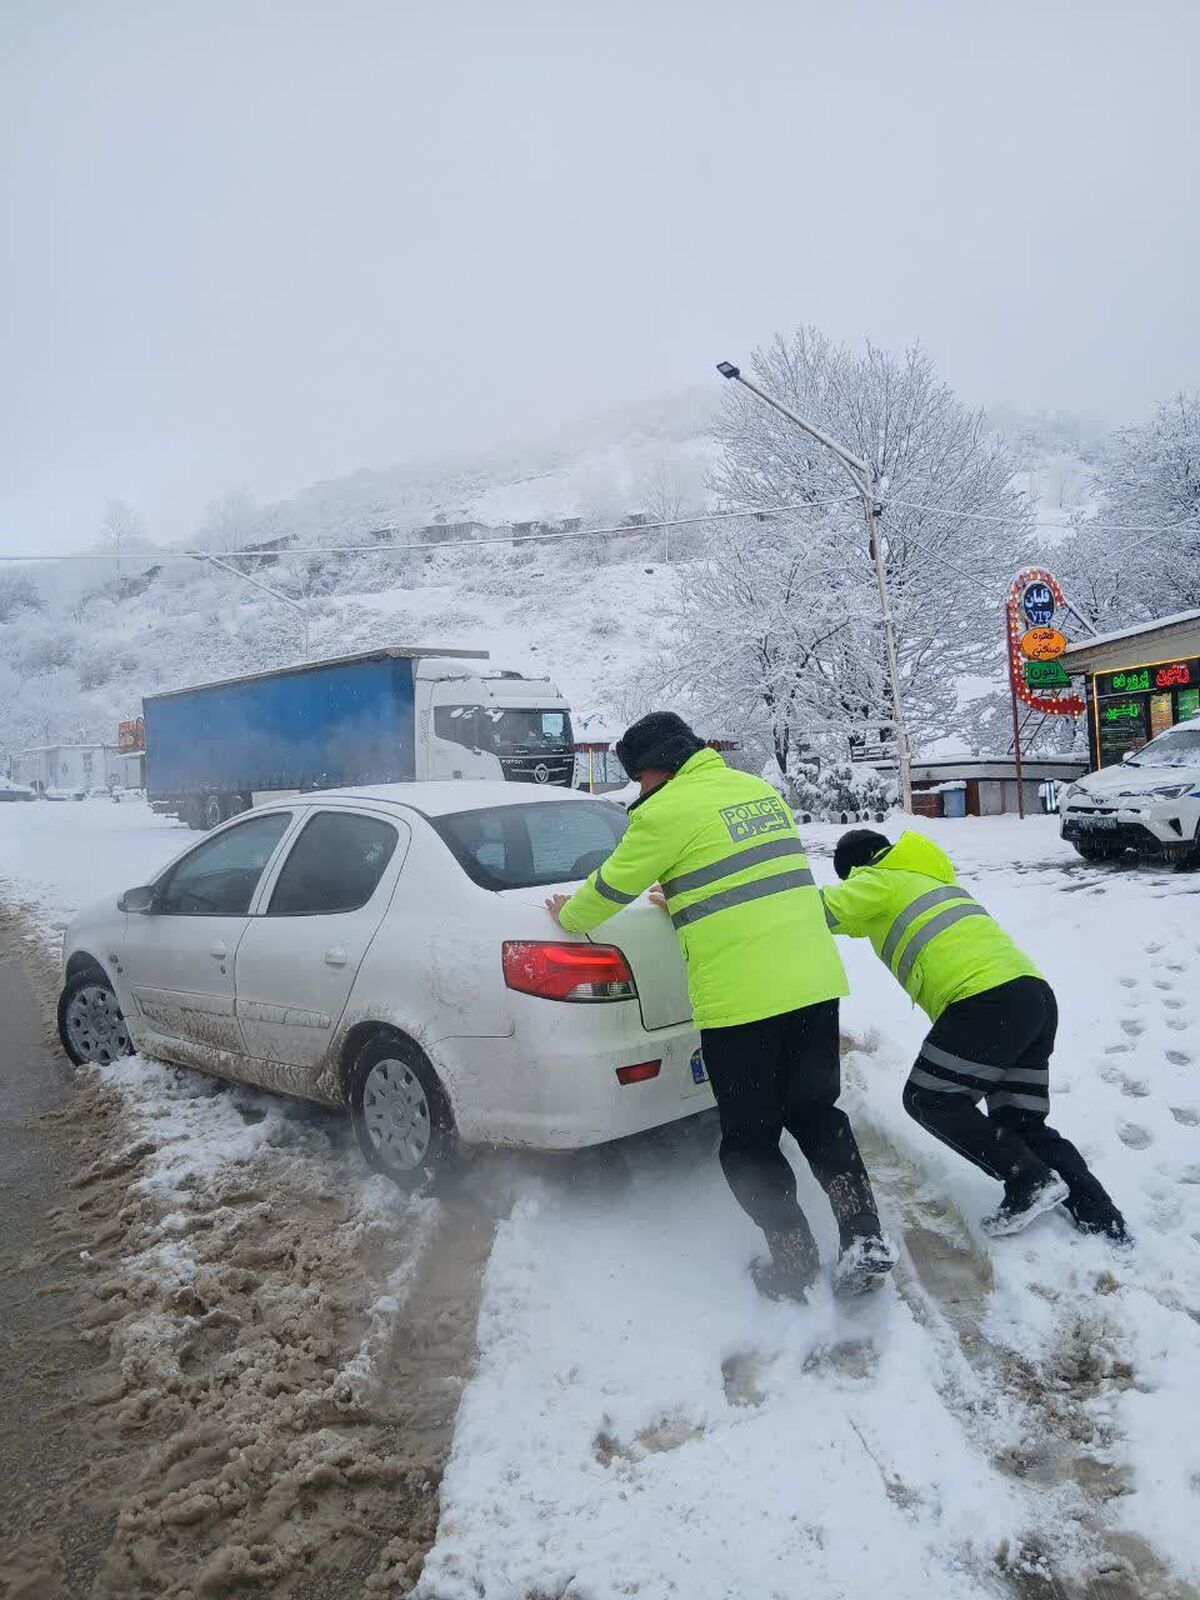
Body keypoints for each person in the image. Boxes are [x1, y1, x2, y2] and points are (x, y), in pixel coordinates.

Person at [545, 711, 897, 1302]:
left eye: (640, 779)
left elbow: (608, 889)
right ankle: (864, 1238)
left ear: (656, 769)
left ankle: (792, 1259)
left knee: (750, 1137)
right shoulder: (755, 792)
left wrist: (570, 915)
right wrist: (683, 892)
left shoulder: (663, 812)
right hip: (812, 983)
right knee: (816, 1114)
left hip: (742, 1002)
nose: (640, 790)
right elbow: (746, 875)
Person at [822, 828, 1128, 1242]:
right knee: (1021, 1124)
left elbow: (812, 911)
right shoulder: (929, 879)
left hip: (986, 1003)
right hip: (1033, 998)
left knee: (928, 1098)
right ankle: (1103, 1219)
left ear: (856, 870)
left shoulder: (877, 881)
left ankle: (1029, 1180)